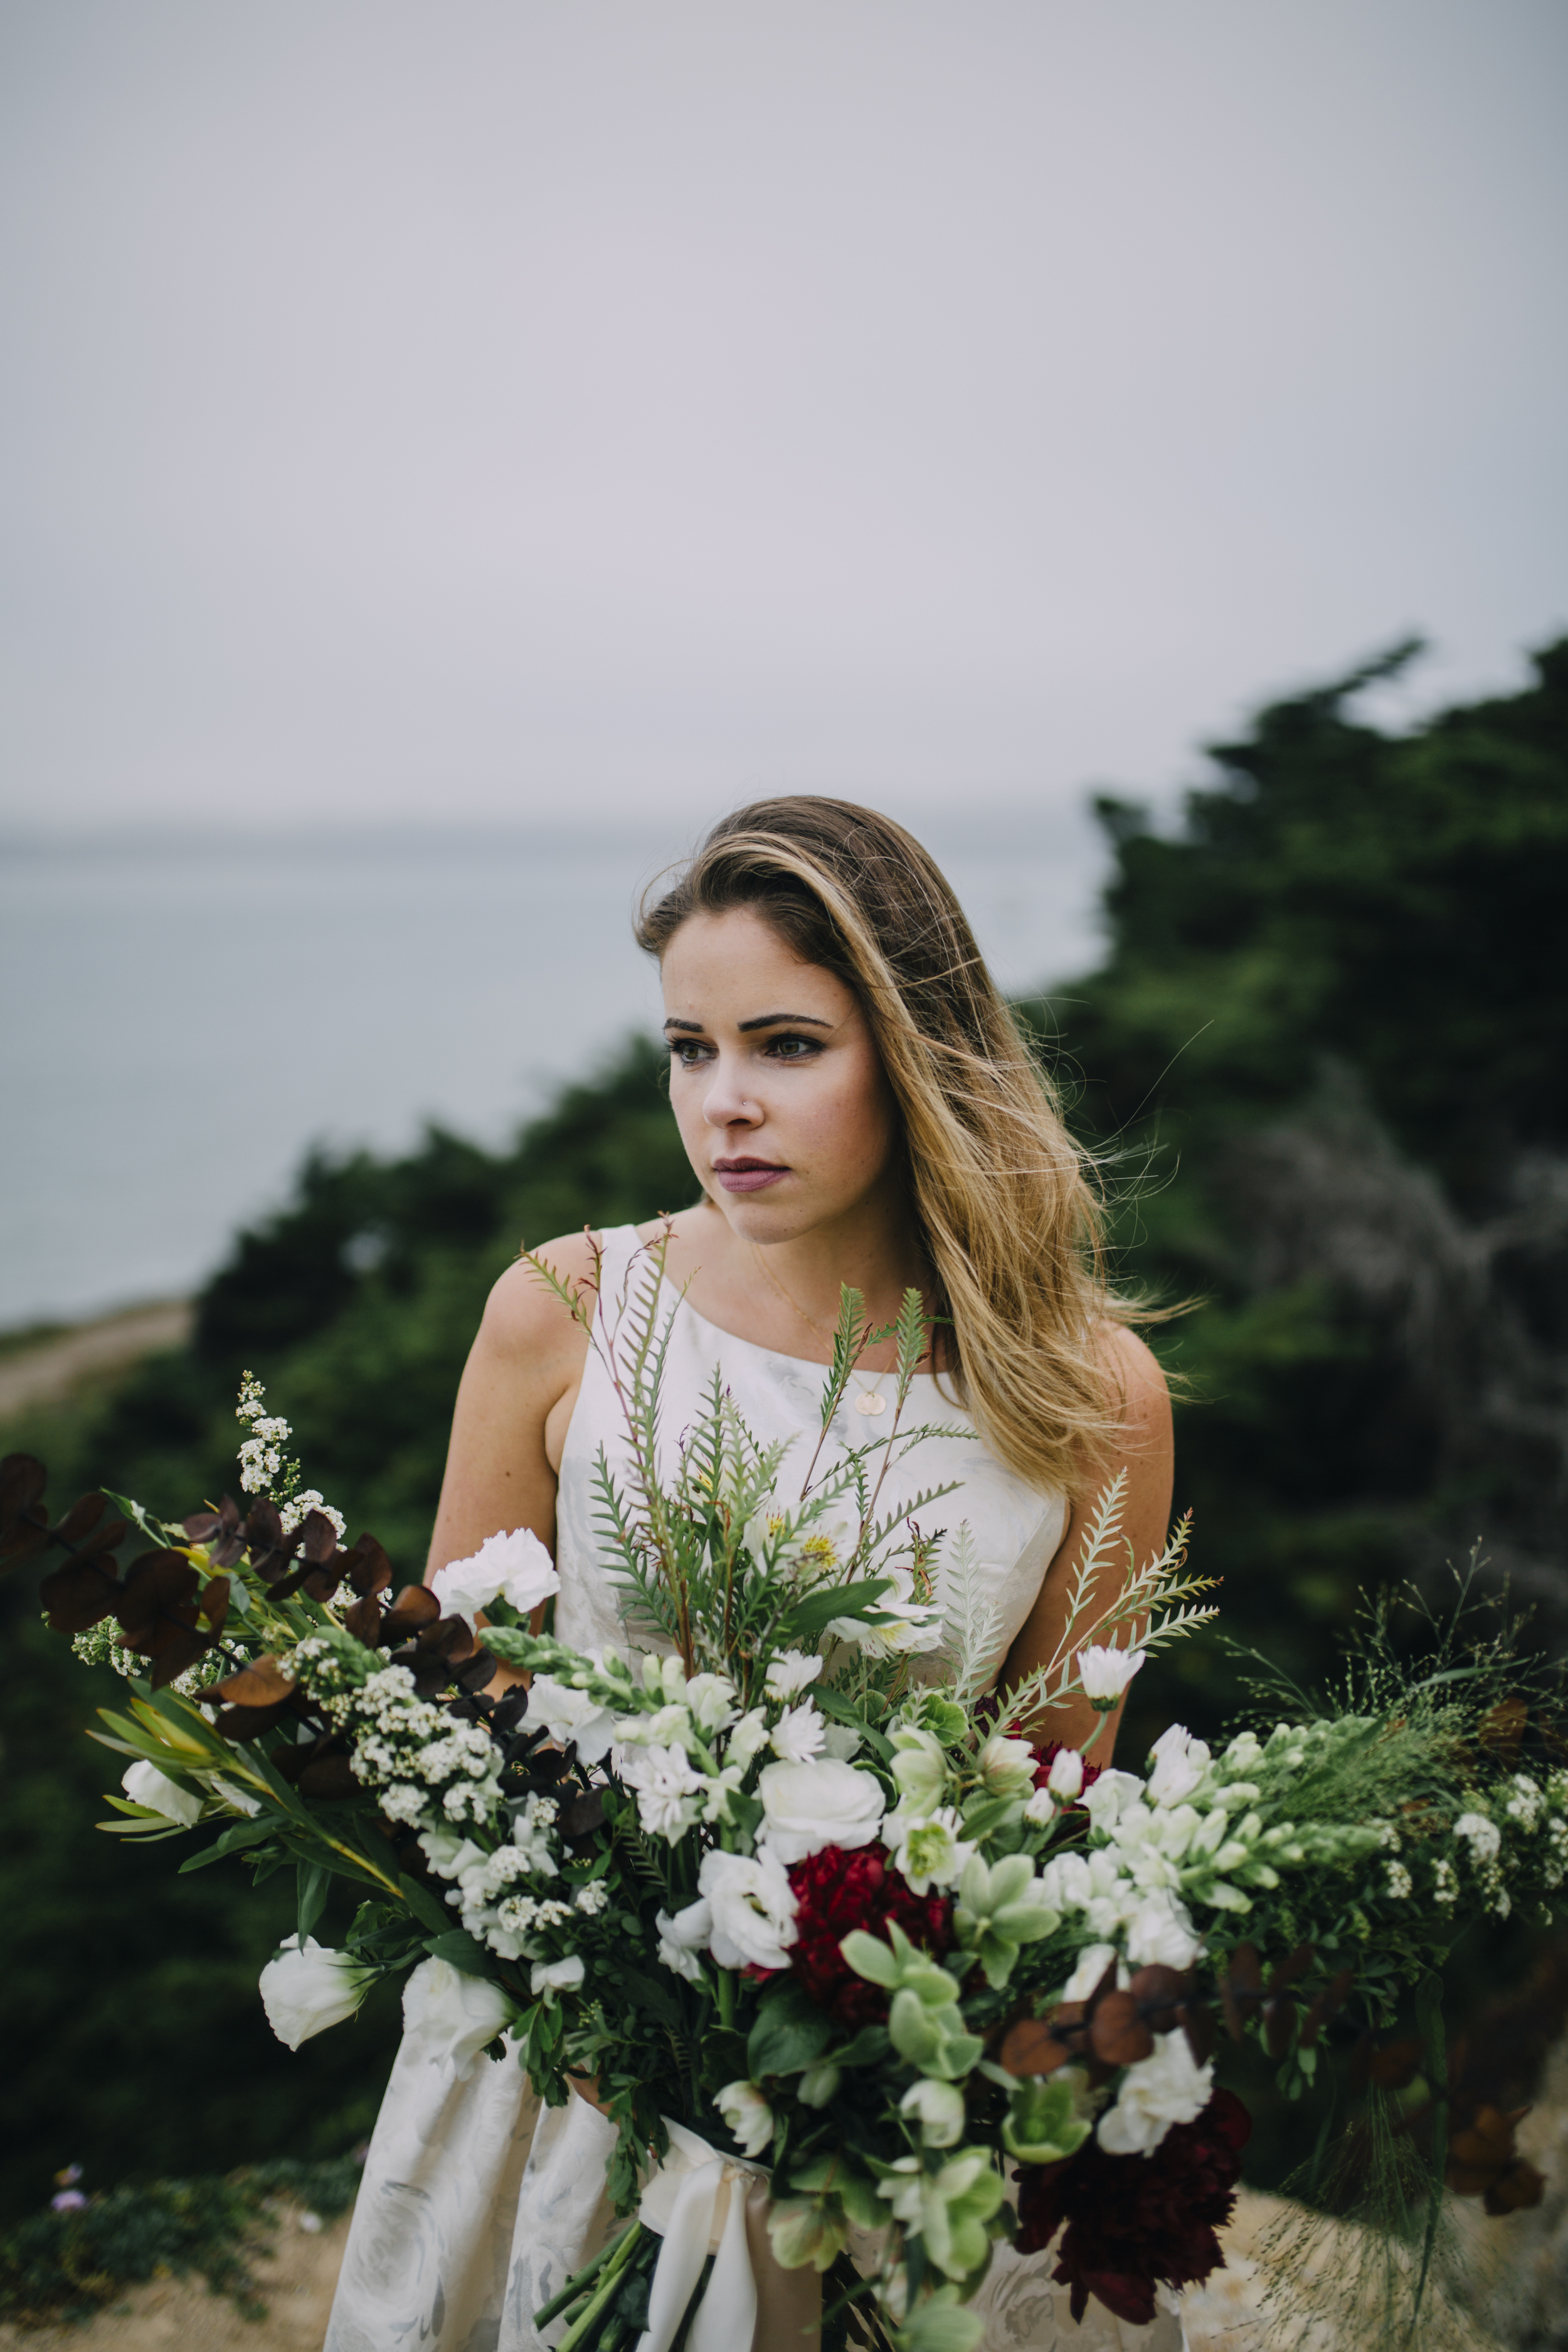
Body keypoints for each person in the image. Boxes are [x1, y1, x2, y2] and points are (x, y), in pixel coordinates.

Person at [326, 798, 1177, 2352]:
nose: (721, 1104)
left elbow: (1054, 1800)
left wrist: (866, 2057)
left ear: (915, 1054)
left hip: (898, 2104)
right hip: (574, 2078)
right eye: (686, 1048)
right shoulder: (567, 1310)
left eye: (785, 1045)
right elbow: (434, 1733)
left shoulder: (1084, 1390)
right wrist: (608, 1996)